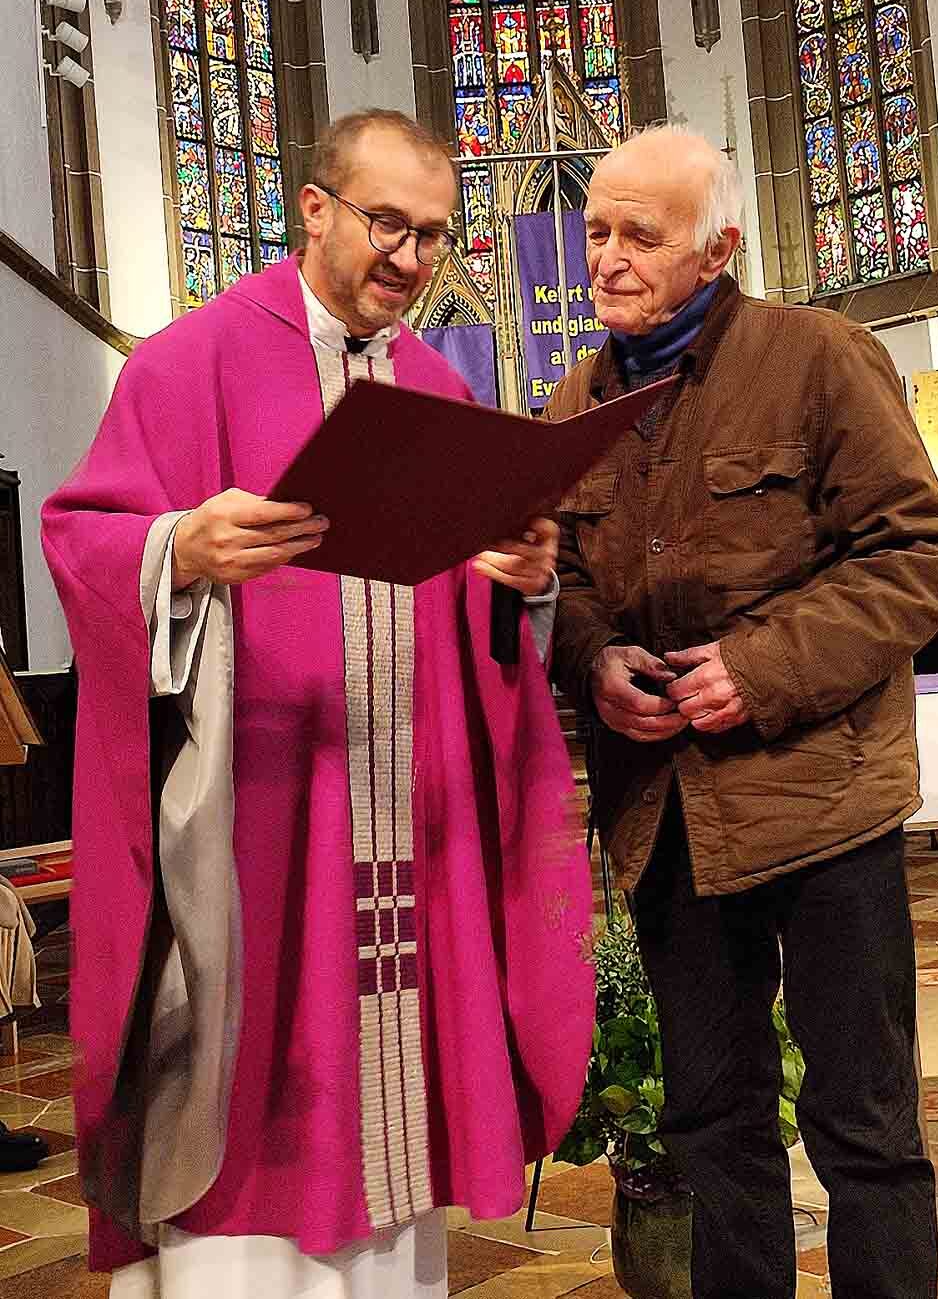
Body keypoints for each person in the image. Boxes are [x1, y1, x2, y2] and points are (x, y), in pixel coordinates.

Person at [42, 109, 594, 1298]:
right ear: (314, 208)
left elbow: (467, 617)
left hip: (403, 819)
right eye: (387, 223)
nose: (409, 256)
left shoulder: (439, 385)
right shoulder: (187, 363)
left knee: (397, 1133)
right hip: (258, 826)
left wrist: (520, 579)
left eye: (433, 234)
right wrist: (179, 548)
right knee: (252, 1102)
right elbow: (83, 540)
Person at [544, 125, 938, 1299]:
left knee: (863, 1118)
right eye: (596, 230)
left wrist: (761, 667)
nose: (609, 256)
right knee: (711, 1120)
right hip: (667, 819)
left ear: (717, 247)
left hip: (822, 802)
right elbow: (561, 584)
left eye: (642, 234)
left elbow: (919, 557)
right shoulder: (572, 400)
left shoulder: (817, 356)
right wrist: (593, 657)